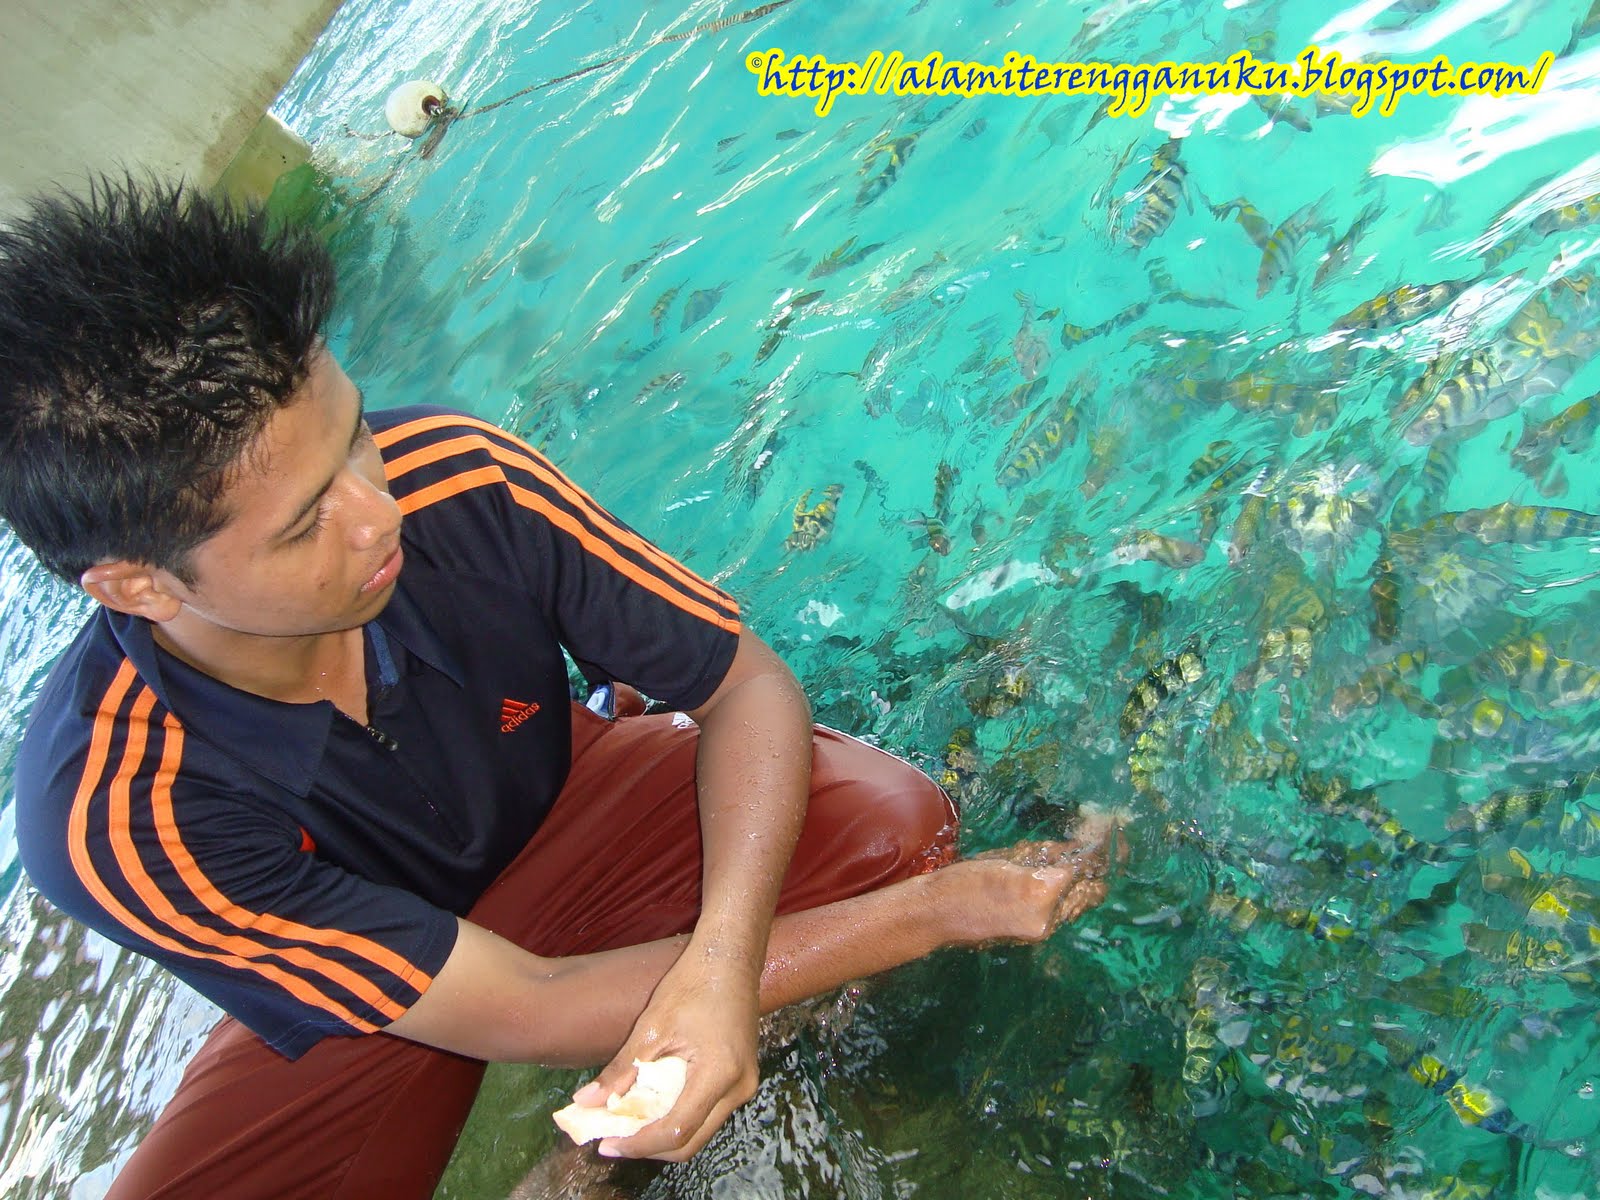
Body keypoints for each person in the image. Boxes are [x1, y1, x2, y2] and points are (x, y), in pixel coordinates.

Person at [0, 177, 1115, 1200]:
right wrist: (934, 919)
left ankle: (592, 1148)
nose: (377, 510)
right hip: (366, 990)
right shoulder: (112, 814)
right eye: (303, 527)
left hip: (559, 812)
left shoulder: (461, 477)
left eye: (353, 438)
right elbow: (526, 1006)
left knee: (889, 832)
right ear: (139, 585)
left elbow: (743, 687)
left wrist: (725, 961)